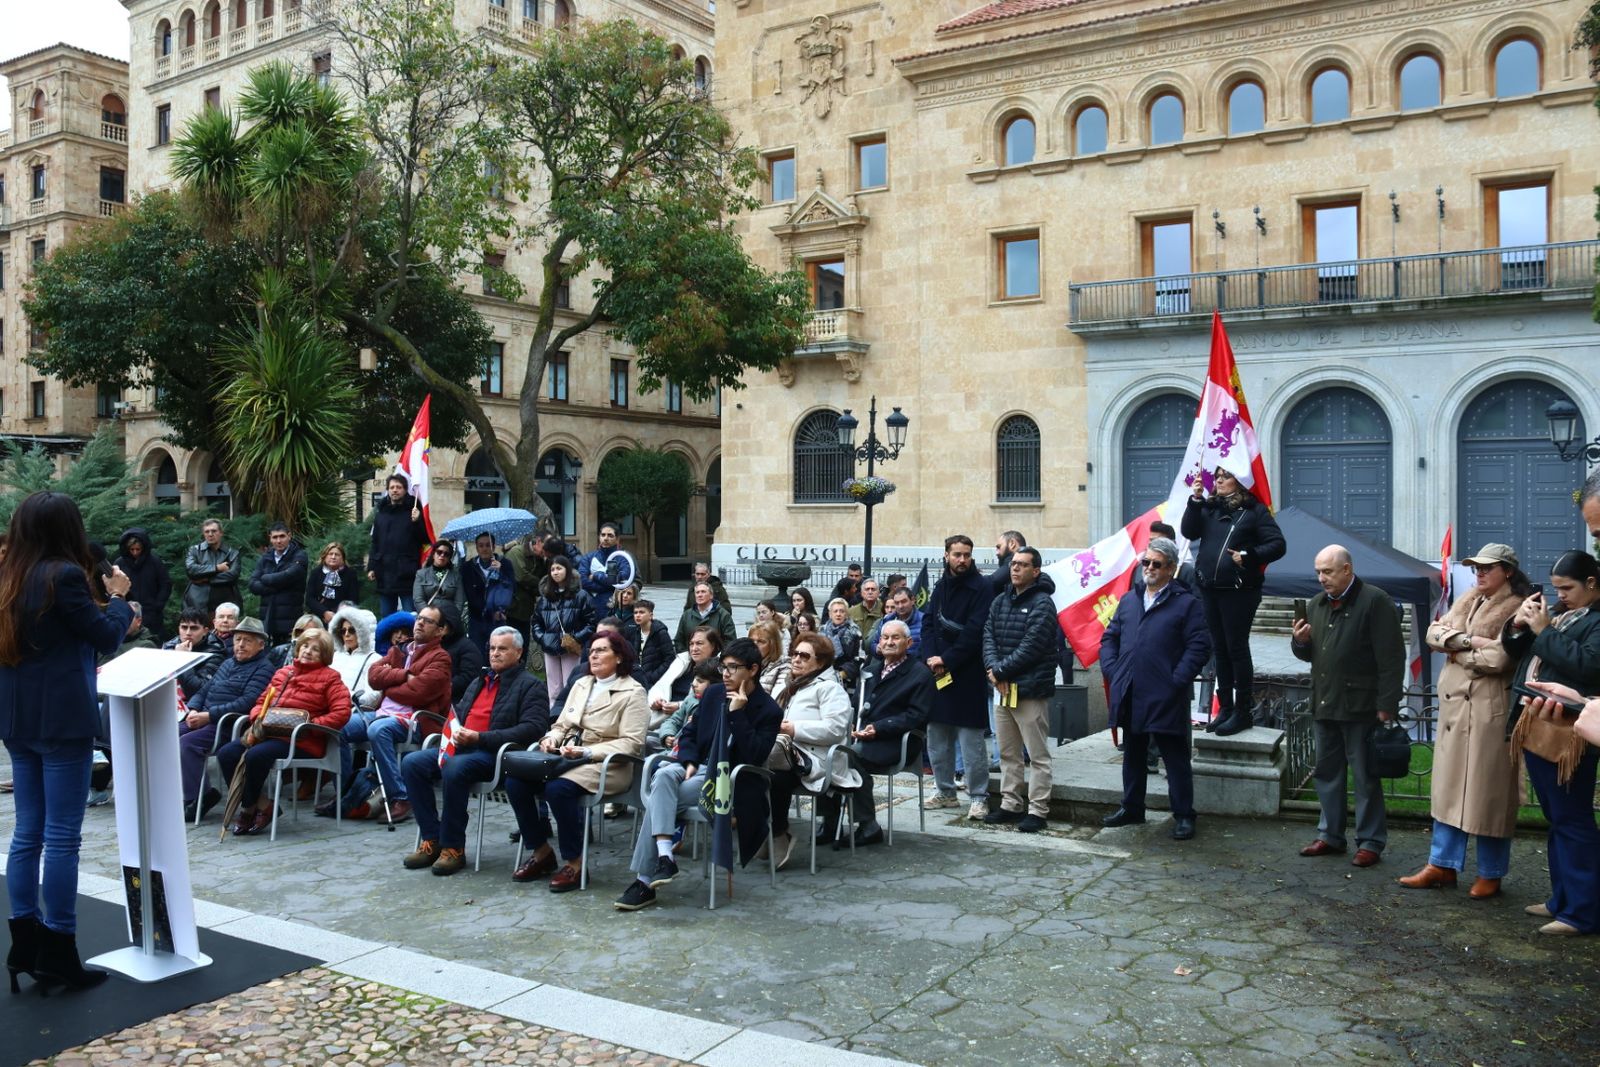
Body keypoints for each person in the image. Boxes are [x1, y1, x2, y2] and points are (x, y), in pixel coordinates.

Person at [1, 491, 134, 993]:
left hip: (17, 718)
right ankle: (58, 946)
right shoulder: (63, 575)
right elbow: (104, 635)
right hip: (61, 719)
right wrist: (121, 597)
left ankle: (24, 943)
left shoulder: (8, 574)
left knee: (27, 833)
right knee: (60, 837)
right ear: (67, 529)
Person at [1400, 543, 1528, 896]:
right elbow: (1432, 633)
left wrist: (1456, 650)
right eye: (1476, 567)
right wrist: (1471, 641)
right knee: (1449, 790)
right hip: (1457, 711)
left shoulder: (1519, 608)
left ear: (1508, 571)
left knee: (1490, 794)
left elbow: (1501, 660)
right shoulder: (1468, 598)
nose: (1479, 573)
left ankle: (1491, 871)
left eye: (1488, 567)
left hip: (1490, 712)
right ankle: (1441, 864)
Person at [613, 637, 777, 910]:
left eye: (733, 668)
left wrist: (738, 715)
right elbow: (688, 733)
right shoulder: (713, 694)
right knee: (664, 775)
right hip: (696, 769)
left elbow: (754, 756)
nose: (725, 674)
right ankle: (665, 857)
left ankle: (643, 882)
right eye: (723, 667)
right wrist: (688, 760)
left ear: (753, 670)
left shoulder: (767, 710)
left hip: (730, 781)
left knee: (659, 797)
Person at [1502, 550, 1600, 935]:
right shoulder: (1563, 613)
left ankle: (1581, 912)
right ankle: (1563, 900)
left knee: (1573, 820)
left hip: (1572, 733)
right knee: (1558, 819)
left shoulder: (1595, 619)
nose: (1560, 595)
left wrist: (1544, 630)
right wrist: (1518, 624)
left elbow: (1589, 665)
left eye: (1567, 588)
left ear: (1592, 584)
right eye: (1556, 588)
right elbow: (1518, 652)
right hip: (1540, 724)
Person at [402, 627, 550, 876]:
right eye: (492, 648)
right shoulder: (479, 681)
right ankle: (432, 838)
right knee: (412, 762)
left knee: (455, 767)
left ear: (518, 652)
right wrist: (454, 731)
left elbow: (532, 728)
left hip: (497, 754)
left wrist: (481, 738)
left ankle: (453, 847)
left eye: (502, 649)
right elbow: (458, 714)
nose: (495, 653)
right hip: (463, 746)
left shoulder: (531, 685)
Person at [1291, 545, 1404, 868]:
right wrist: (1299, 642)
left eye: (1327, 571)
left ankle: (1370, 841)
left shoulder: (1375, 601)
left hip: (1362, 706)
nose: (1321, 578)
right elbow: (1312, 653)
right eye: (1318, 572)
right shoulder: (1315, 605)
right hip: (1325, 702)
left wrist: (1387, 704)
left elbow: (1391, 658)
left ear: (1347, 569)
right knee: (1326, 773)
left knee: (1366, 776)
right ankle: (1330, 835)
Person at [509, 633, 648, 893]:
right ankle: (541, 852)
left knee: (557, 789)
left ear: (619, 657)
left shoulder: (633, 692)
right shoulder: (582, 683)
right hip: (565, 756)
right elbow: (562, 724)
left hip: (608, 764)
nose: (593, 655)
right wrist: (550, 739)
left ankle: (574, 862)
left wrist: (585, 753)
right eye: (592, 650)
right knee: (516, 781)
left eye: (601, 650)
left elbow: (632, 743)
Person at [1099, 537, 1211, 840]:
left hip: (1165, 694)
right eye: (1145, 562)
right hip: (1131, 691)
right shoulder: (1130, 600)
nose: (1148, 568)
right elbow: (1110, 637)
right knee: (1133, 754)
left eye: (1156, 564)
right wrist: (1112, 669)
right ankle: (1132, 807)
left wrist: (1176, 680)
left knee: (1174, 757)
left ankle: (1184, 815)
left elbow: (1199, 646)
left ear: (1171, 569)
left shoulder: (1185, 603)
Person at [1181, 465, 1286, 736]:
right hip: (1210, 589)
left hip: (1239, 590)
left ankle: (1242, 712)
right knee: (1219, 649)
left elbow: (1277, 544)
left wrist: (1248, 555)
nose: (1218, 481)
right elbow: (1189, 531)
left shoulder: (1254, 512)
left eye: (1225, 476)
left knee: (1236, 648)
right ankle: (1225, 709)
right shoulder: (1209, 508)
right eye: (1217, 477)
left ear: (1239, 482)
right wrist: (1194, 501)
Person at [216, 627, 352, 836]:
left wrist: (309, 725)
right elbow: (261, 702)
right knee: (227, 754)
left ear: (324, 654)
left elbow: (342, 713)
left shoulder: (331, 678)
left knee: (255, 756)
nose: (307, 651)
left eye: (315, 649)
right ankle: (263, 806)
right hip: (268, 733)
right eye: (305, 645)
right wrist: (257, 718)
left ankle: (247, 810)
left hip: (301, 741)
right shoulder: (283, 673)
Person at [330, 603, 453, 823]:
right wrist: (405, 676)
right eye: (419, 619)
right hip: (380, 714)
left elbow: (420, 693)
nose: (420, 623)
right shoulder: (400, 649)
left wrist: (389, 682)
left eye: (428, 621)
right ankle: (348, 794)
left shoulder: (441, 658)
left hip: (414, 722)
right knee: (339, 725)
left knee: (379, 729)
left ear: (441, 630)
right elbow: (373, 677)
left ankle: (401, 797)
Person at [818, 620, 934, 848]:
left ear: (909, 642)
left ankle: (868, 825)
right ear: (879, 642)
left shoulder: (920, 674)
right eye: (885, 637)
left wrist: (878, 728)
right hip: (863, 736)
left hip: (896, 740)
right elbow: (854, 704)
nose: (889, 642)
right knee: (828, 754)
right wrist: (849, 725)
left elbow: (916, 716)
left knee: (849, 756)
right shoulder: (870, 671)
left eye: (896, 638)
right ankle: (830, 821)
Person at [982, 547, 1059, 832]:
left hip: (1030, 691)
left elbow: (1033, 645)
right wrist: (993, 670)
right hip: (1002, 689)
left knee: (1037, 755)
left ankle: (1038, 810)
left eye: (1023, 565)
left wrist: (1000, 671)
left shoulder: (1043, 603)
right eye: (1013, 564)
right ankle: (1010, 804)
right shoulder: (1000, 601)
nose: (1015, 569)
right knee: (1007, 753)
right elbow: (987, 636)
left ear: (1035, 571)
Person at [766, 633, 854, 868]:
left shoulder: (830, 689)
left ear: (821, 662)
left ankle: (778, 832)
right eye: (794, 653)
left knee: (776, 777)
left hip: (815, 759)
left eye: (804, 656)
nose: (796, 659)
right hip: (783, 753)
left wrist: (794, 729)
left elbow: (835, 730)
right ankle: (759, 828)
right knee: (748, 770)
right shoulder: (789, 687)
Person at [920, 535, 993, 821]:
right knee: (937, 739)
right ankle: (945, 791)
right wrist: (930, 657)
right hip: (937, 674)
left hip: (967, 674)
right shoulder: (940, 586)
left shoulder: (982, 587)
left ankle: (978, 797)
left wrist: (946, 660)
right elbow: (928, 623)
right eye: (957, 555)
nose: (962, 560)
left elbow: (975, 631)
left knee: (971, 742)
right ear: (947, 555)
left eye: (966, 555)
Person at [177, 616, 276, 820]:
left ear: (260, 645)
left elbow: (247, 703)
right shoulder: (227, 663)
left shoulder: (264, 669)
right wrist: (194, 708)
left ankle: (197, 798)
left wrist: (209, 715)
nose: (240, 644)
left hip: (228, 724)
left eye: (247, 640)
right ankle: (197, 792)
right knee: (166, 735)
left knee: (187, 743)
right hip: (205, 717)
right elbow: (204, 689)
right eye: (238, 639)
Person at [531, 555, 597, 696]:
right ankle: (553, 716)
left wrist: (575, 638)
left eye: (559, 568)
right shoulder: (545, 598)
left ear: (567, 570)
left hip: (570, 647)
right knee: (553, 688)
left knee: (571, 685)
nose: (555, 572)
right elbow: (536, 622)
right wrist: (543, 638)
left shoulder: (581, 596)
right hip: (550, 646)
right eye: (552, 569)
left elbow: (591, 623)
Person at [367, 474, 429, 616]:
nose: (395, 490)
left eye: (399, 487)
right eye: (392, 487)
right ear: (388, 490)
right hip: (384, 573)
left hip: (407, 572)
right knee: (386, 617)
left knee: (410, 616)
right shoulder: (381, 513)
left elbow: (424, 539)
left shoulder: (414, 510)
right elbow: (375, 542)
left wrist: (417, 521)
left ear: (405, 490)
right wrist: (372, 566)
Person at [649, 626, 724, 729]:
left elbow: (708, 703)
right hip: (659, 716)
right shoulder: (682, 662)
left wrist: (679, 706)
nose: (694, 648)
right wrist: (657, 701)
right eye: (691, 644)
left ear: (713, 646)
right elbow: (661, 685)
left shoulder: (718, 671)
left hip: (683, 723)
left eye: (699, 643)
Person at [249, 523, 309, 646]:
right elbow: (253, 584)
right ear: (270, 538)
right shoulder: (265, 558)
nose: (278, 541)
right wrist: (279, 586)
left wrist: (265, 578)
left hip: (290, 616)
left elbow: (290, 575)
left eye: (282, 536)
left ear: (289, 536)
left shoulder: (299, 555)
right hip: (268, 617)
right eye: (275, 537)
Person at [460, 532, 515, 659]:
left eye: (488, 545)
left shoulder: (505, 564)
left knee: (498, 654)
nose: (484, 549)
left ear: (494, 546)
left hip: (497, 617)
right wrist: (483, 609)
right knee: (478, 655)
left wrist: (501, 572)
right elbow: (469, 592)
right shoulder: (468, 567)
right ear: (476, 547)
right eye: (481, 545)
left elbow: (512, 588)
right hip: (477, 618)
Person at [114, 526, 172, 641]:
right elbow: (113, 586)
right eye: (132, 549)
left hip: (151, 612)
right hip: (127, 612)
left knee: (152, 641)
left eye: (138, 549)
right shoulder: (120, 563)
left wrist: (158, 604)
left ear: (144, 548)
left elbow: (165, 583)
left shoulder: (154, 562)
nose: (135, 552)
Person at [650, 660, 719, 752]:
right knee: (648, 741)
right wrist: (667, 734)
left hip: (690, 752)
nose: (693, 684)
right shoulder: (690, 699)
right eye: (694, 679)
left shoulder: (716, 707)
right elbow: (673, 720)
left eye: (700, 681)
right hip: (675, 746)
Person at [163, 606, 228, 699]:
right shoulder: (169, 646)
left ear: (205, 631)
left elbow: (199, 689)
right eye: (184, 627)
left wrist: (183, 659)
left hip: (194, 705)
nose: (188, 633)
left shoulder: (215, 652)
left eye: (194, 628)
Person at [329, 605, 382, 714]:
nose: (347, 634)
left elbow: (374, 696)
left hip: (354, 711)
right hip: (328, 706)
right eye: (343, 631)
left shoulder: (375, 659)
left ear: (362, 631)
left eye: (352, 630)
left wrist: (352, 697)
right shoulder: (335, 656)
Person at [183, 518, 242, 615]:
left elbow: (232, 576)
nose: (210, 534)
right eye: (207, 531)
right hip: (197, 602)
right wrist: (217, 568)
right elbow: (191, 570)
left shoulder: (232, 553)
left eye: (214, 531)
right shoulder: (194, 550)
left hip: (225, 604)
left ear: (221, 533)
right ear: (204, 534)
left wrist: (204, 579)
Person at [435, 601, 484, 704]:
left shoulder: (467, 648)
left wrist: (439, 688)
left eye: (443, 622)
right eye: (437, 623)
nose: (440, 627)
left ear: (452, 623)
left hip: (454, 702)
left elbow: (468, 678)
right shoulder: (431, 644)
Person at [305, 541, 362, 625]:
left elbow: (353, 599)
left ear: (342, 558)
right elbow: (309, 598)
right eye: (330, 554)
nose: (333, 557)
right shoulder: (316, 573)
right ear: (325, 556)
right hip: (320, 617)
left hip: (343, 618)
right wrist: (324, 612)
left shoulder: (350, 574)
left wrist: (338, 616)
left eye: (337, 554)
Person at [622, 598, 674, 689]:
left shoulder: (660, 633)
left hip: (655, 681)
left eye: (641, 612)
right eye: (635, 613)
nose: (638, 615)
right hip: (639, 678)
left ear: (650, 615)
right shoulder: (637, 631)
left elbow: (670, 659)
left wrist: (652, 677)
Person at [577, 523, 623, 620]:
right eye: (603, 535)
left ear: (617, 539)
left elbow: (615, 582)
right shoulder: (588, 557)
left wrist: (595, 577)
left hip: (613, 609)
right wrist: (608, 587)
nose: (606, 538)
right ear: (599, 537)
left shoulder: (622, 559)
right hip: (590, 607)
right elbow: (583, 581)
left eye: (610, 535)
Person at [676, 581, 737, 652]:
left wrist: (720, 657)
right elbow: (679, 640)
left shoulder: (723, 615)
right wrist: (686, 656)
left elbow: (730, 641)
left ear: (711, 595)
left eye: (703, 592)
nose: (700, 595)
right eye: (697, 592)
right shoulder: (687, 615)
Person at [819, 597, 863, 691]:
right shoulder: (821, 632)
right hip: (823, 674)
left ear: (846, 614)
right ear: (830, 614)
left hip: (845, 676)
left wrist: (842, 674)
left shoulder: (855, 632)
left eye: (842, 611)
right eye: (835, 611)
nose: (838, 614)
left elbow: (859, 658)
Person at [868, 586, 924, 660]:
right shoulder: (887, 620)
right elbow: (873, 643)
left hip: (915, 666)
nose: (900, 606)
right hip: (888, 666)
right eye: (897, 603)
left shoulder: (924, 621)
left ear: (913, 600)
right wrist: (877, 649)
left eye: (904, 601)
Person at [750, 619, 791, 695]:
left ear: (772, 645)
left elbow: (777, 698)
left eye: (761, 641)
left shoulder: (784, 666)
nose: (754, 645)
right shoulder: (745, 662)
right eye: (751, 641)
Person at [989, 531, 1026, 597]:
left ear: (1012, 544)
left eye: (999, 547)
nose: (996, 553)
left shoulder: (1009, 565)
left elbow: (992, 581)